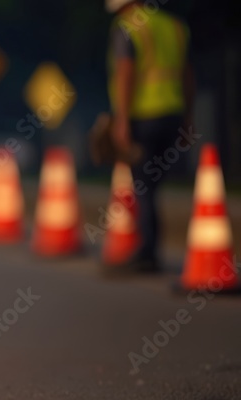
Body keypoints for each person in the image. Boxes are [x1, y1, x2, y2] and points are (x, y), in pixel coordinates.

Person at [105, 0, 194, 273]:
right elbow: (187, 75)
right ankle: (151, 249)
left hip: (144, 116)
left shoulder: (127, 26)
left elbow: (126, 72)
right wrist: (187, 120)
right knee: (154, 185)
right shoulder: (175, 27)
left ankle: (147, 253)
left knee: (143, 185)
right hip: (173, 113)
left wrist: (121, 120)